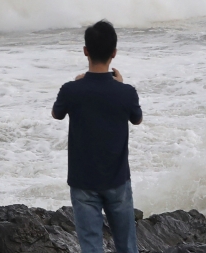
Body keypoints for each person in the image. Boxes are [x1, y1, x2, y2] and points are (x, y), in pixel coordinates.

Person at [52, 20, 143, 253]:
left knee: (91, 247)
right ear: (114, 53)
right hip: (118, 180)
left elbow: (57, 113)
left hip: (83, 181)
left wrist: (76, 85)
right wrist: (120, 86)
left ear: (85, 52)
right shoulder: (126, 92)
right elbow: (137, 119)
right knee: (127, 246)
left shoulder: (71, 90)